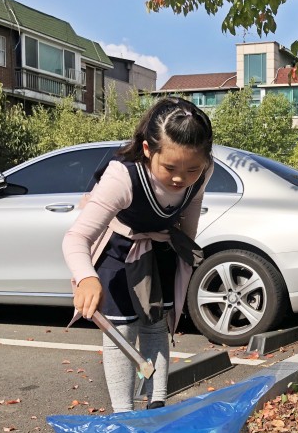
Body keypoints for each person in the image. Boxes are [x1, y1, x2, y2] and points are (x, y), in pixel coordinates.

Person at [63, 97, 214, 412]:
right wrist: (86, 276)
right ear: (148, 149)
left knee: (156, 324)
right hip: (119, 250)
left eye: (192, 169)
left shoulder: (203, 171)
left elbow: (190, 215)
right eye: (170, 167)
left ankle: (156, 402)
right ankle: (123, 414)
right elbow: (76, 237)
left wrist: (183, 255)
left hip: (160, 249)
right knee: (122, 329)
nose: (180, 178)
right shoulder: (123, 175)